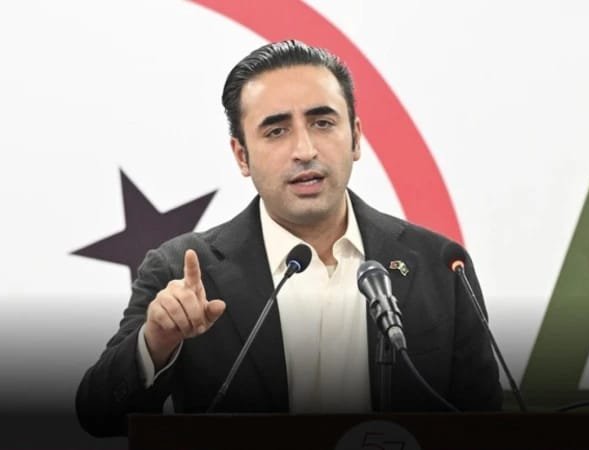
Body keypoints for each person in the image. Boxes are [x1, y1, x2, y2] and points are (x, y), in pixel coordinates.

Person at [76, 40, 502, 437]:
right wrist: (157, 343)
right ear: (242, 155)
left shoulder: (439, 265)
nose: (305, 150)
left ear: (355, 138)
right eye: (276, 131)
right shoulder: (184, 270)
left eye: (322, 123)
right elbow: (98, 415)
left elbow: (483, 423)